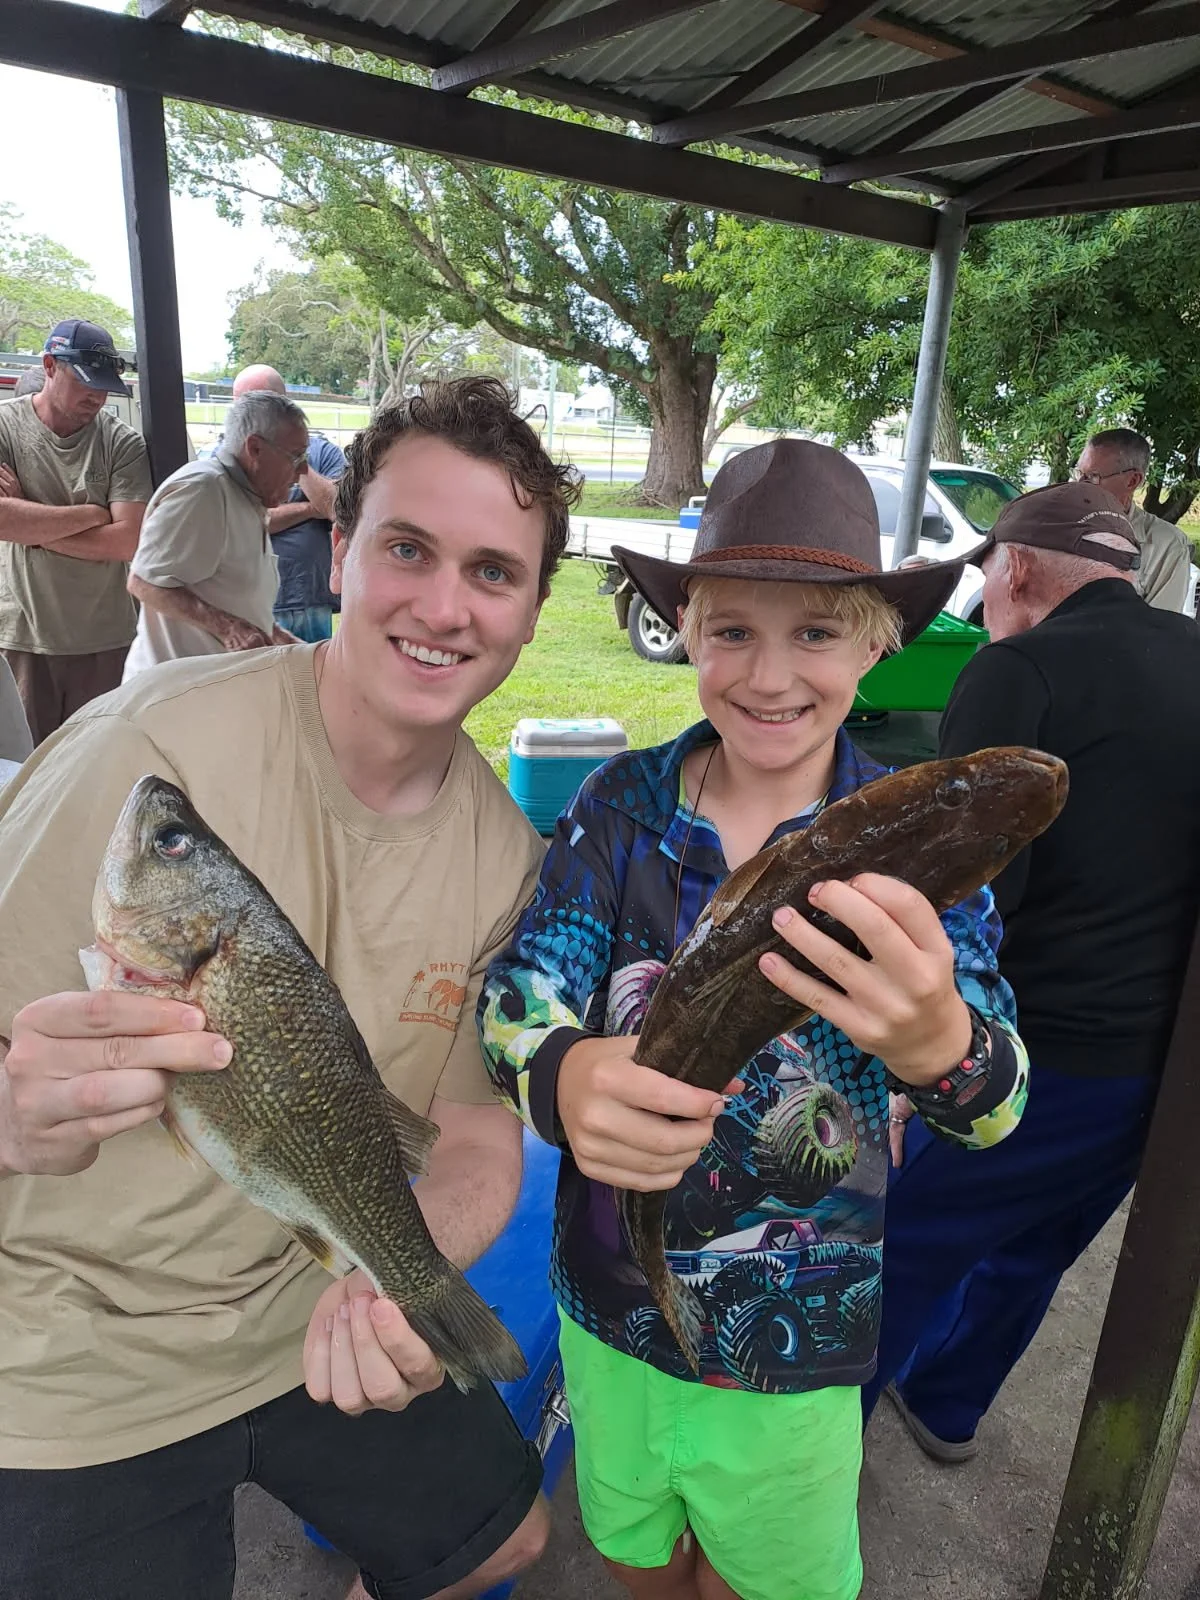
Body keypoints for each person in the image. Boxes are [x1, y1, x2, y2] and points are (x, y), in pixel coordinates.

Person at [0, 376, 582, 1600]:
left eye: (492, 571)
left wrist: (401, 1281)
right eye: (408, 548)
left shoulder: (502, 852)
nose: (441, 605)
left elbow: (474, 1126)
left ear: (532, 611)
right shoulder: (144, 755)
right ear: (340, 547)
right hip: (67, 1341)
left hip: (305, 1301)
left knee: (507, 1541)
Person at [480, 441, 1030, 1600]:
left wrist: (938, 1040)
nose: (769, 673)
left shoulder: (922, 848)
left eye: (816, 633)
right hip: (609, 1315)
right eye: (733, 630)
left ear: (880, 640)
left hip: (797, 1349)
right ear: (684, 631)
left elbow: (999, 1099)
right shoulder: (617, 809)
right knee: (639, 1557)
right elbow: (520, 997)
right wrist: (565, 1076)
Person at [867, 481, 1200, 1463]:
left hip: (1032, 1056)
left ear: (1012, 568)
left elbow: (961, 892)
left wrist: (913, 1066)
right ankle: (949, 1403)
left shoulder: (1018, 669)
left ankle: (805, 1450)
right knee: (1037, 1244)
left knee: (900, 1252)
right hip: (1163, 1068)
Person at [0, 319, 151, 742]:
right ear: (49, 365)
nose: (98, 396)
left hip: (103, 638)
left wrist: (27, 524)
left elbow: (128, 540)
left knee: (95, 770)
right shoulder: (6, 427)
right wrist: (92, 513)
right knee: (25, 775)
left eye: (105, 386)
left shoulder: (122, 442)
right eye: (86, 382)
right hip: (25, 638)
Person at [123, 390, 308, 680]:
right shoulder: (202, 490)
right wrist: (229, 628)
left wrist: (277, 636)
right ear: (255, 448)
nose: (304, 470)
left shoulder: (248, 498)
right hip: (171, 695)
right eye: (296, 456)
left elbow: (229, 592)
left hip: (211, 691)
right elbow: (144, 582)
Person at [230, 364, 346, 644]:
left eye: (265, 404)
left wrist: (297, 459)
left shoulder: (322, 451)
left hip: (310, 597)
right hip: (247, 600)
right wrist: (309, 509)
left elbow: (338, 509)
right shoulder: (225, 458)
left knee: (309, 683)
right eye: (245, 405)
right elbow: (245, 521)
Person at [1074, 428, 1194, 613]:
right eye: (1078, 473)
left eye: (1092, 477)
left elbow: (1160, 629)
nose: (1079, 485)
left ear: (1132, 481)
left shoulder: (1167, 546)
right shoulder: (1061, 527)